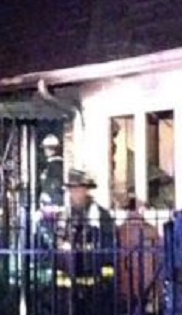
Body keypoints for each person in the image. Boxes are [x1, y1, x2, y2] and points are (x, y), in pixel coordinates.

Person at [56, 169, 116, 313]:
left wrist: (104, 276)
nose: (74, 193)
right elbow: (58, 239)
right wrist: (63, 246)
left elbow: (108, 243)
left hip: (94, 273)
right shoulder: (64, 215)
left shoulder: (101, 215)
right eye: (72, 189)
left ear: (86, 190)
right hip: (69, 274)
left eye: (78, 189)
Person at [38, 134, 64, 208]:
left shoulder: (55, 165)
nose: (45, 151)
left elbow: (54, 184)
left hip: (53, 201)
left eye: (47, 148)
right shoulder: (50, 164)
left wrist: (47, 195)